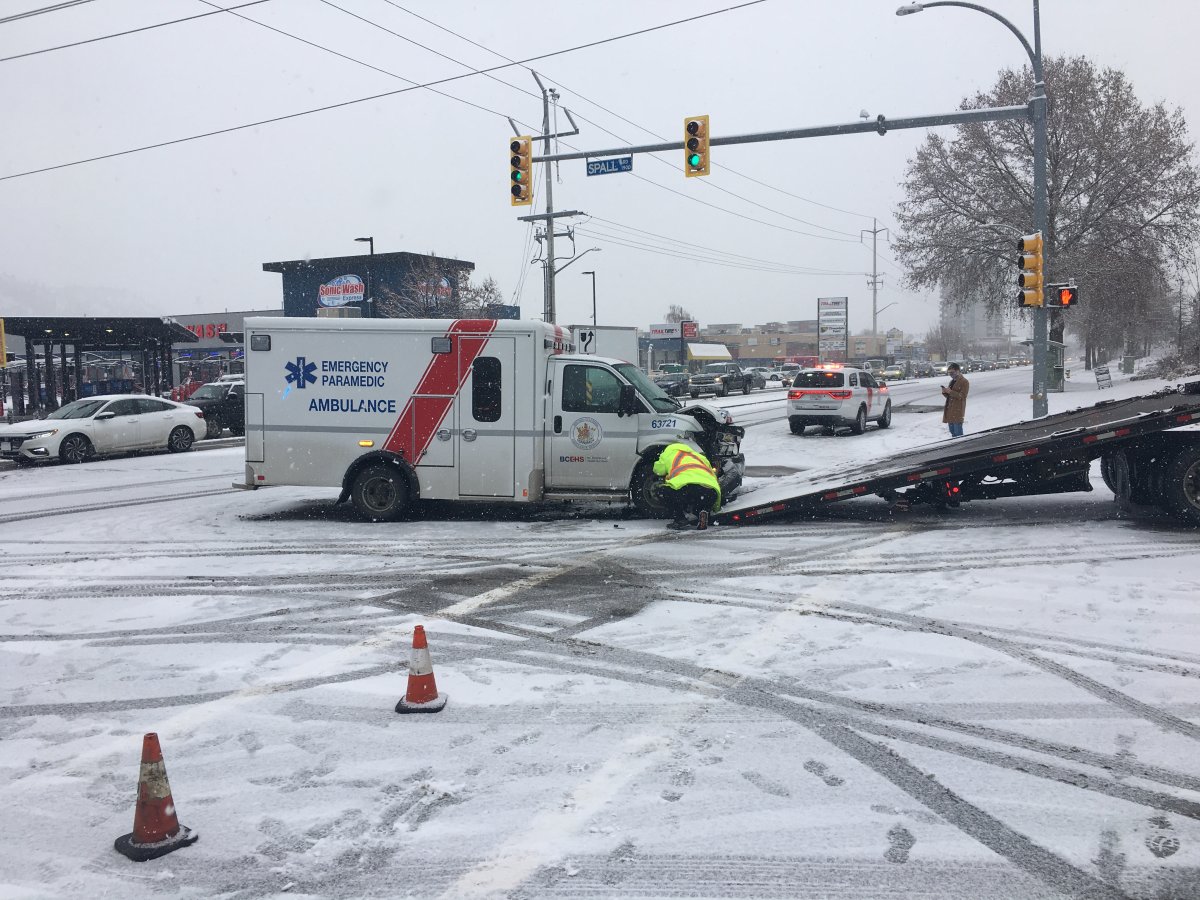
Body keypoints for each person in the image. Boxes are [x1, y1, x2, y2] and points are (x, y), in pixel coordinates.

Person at [652, 441, 721, 530]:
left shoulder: (668, 454)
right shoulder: (698, 456)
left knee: (662, 491)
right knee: (699, 499)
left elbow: (658, 470)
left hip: (686, 488)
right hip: (710, 490)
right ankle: (702, 511)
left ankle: (680, 519)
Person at [941, 362, 970, 437]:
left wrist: (950, 391)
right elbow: (950, 397)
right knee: (953, 433)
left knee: (958, 434)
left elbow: (962, 396)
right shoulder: (952, 381)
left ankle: (961, 448)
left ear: (958, 371)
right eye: (949, 373)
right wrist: (945, 392)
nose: (950, 374)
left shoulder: (964, 382)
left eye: (952, 372)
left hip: (957, 411)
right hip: (950, 411)